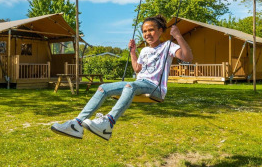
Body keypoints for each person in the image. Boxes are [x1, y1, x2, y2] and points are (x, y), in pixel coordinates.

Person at [51, 15, 193, 141]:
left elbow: (188, 57)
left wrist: (178, 36)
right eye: (144, 31)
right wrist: (132, 52)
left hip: (155, 88)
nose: (147, 34)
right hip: (140, 83)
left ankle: (108, 123)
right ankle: (77, 124)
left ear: (161, 30)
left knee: (130, 86)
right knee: (103, 88)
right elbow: (137, 69)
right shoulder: (144, 50)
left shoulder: (168, 46)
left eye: (151, 30)